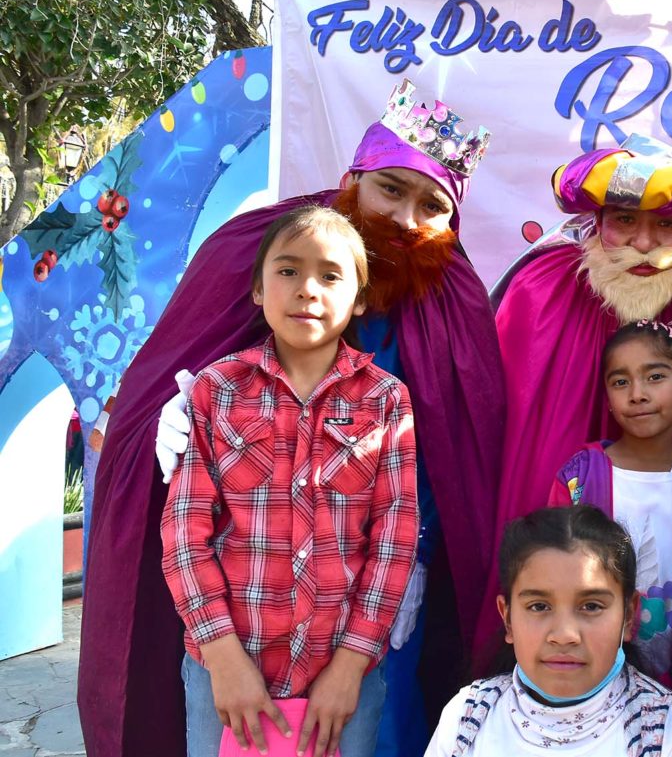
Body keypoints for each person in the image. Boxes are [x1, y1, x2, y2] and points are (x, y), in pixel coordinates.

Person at [79, 81, 505, 757]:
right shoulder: (262, 245)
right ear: (353, 179)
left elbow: (460, 447)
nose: (404, 216)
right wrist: (173, 410)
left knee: (374, 728)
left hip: (373, 593)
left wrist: (419, 556)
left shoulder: (450, 298)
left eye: (432, 206)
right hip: (243, 596)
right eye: (390, 189)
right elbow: (179, 362)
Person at [161, 207, 416, 757]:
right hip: (223, 673)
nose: (307, 289)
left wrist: (350, 666)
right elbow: (184, 536)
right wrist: (223, 658)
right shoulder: (215, 391)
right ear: (257, 289)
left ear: (360, 299)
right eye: (287, 271)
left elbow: (394, 541)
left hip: (342, 681)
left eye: (330, 275)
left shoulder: (386, 399)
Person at [484, 134, 672, 658]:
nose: (644, 244)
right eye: (624, 220)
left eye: (666, 223)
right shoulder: (543, 288)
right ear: (595, 224)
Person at [425, 505, 672, 757]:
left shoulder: (668, 733)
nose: (565, 634)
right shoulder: (466, 718)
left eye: (591, 606)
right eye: (539, 606)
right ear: (507, 619)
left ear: (628, 616)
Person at [549, 320, 672, 680]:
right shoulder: (580, 477)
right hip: (600, 670)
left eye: (655, 377)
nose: (637, 394)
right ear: (606, 397)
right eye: (621, 382)